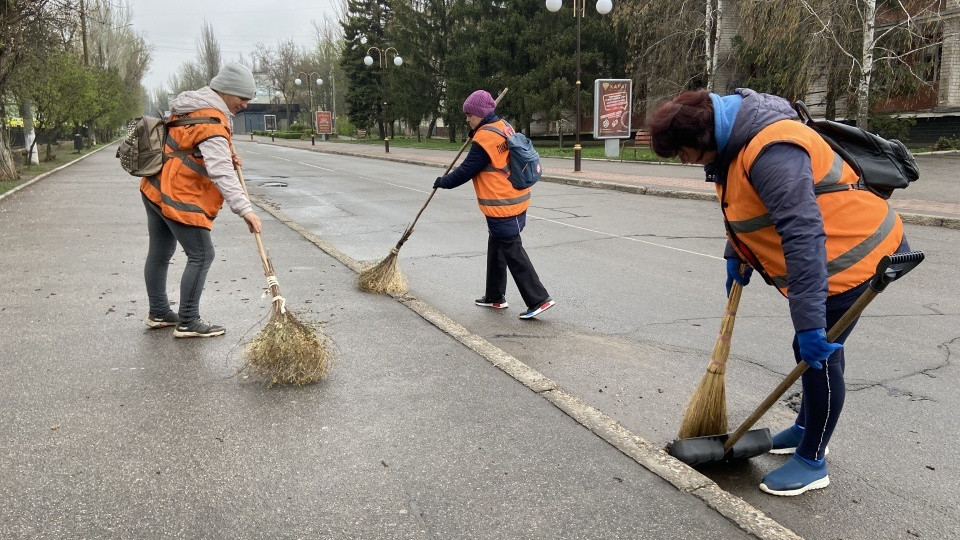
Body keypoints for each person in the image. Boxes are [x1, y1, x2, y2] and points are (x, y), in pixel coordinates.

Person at [648, 88, 910, 496]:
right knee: (811, 353)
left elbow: (803, 236)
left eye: (682, 154)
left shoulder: (772, 150)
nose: (684, 163)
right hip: (831, 258)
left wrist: (809, 326)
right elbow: (748, 208)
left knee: (817, 358)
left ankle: (812, 460)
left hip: (854, 258)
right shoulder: (733, 145)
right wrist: (736, 252)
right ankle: (805, 427)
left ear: (702, 139)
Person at [140, 62, 262, 338]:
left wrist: (224, 156)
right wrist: (246, 211)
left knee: (160, 253)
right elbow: (220, 173)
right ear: (227, 91)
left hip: (155, 187)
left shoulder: (193, 106)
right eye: (242, 98)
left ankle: (159, 312)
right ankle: (188, 321)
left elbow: (190, 148)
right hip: (177, 195)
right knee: (202, 254)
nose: (245, 104)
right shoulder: (212, 120)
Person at [433, 89, 555, 319]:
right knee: (497, 245)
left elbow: (466, 171)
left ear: (480, 114)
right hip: (516, 197)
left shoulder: (484, 138)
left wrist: (443, 182)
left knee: (512, 250)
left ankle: (539, 299)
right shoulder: (502, 126)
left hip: (502, 204)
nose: (467, 119)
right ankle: (495, 296)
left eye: (469, 115)